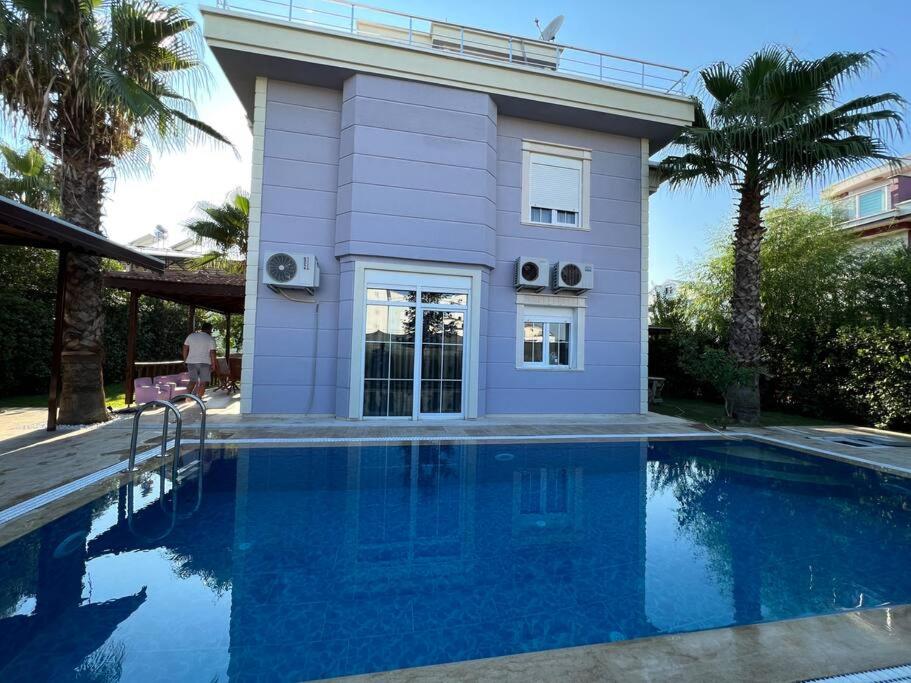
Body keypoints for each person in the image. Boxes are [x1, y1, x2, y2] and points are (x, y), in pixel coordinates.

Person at [183, 322, 217, 398]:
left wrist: (185, 360)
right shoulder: (210, 339)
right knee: (203, 382)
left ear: (202, 328)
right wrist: (213, 364)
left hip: (191, 362)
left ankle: (187, 397)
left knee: (192, 381)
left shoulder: (191, 336)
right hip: (205, 363)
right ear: (209, 329)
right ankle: (199, 400)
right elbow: (212, 352)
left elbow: (185, 348)